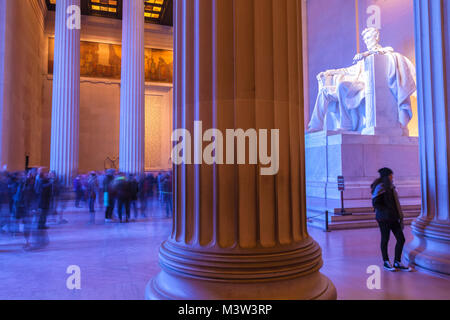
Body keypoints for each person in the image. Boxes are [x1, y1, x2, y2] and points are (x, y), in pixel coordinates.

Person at [371, 168, 411, 272]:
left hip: (393, 217)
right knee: (385, 239)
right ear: (386, 176)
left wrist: (397, 214)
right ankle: (386, 261)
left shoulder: (391, 187)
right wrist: (387, 210)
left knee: (401, 239)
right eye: (390, 175)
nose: (392, 177)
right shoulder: (380, 187)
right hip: (384, 218)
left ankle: (397, 261)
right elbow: (376, 203)